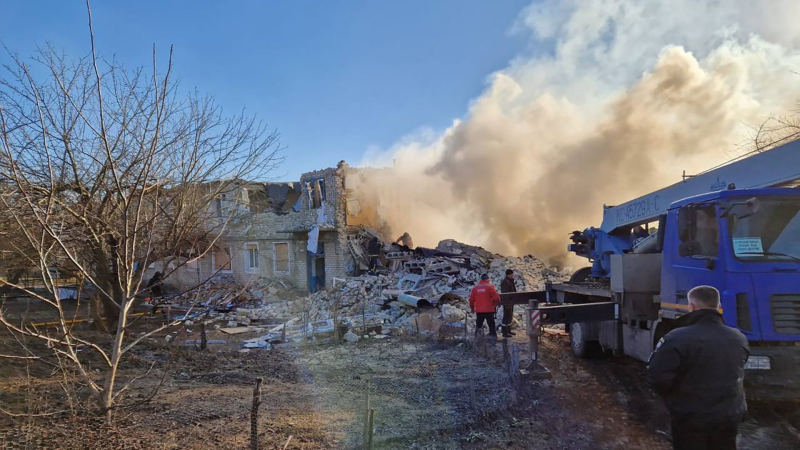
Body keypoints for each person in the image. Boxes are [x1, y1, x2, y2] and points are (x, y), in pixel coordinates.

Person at [648, 285, 749, 450]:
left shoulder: (676, 338)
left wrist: (676, 401)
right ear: (719, 307)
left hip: (691, 417)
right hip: (729, 416)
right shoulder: (738, 337)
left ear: (691, 307)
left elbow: (658, 377)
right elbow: (739, 369)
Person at [499, 269, 517, 338]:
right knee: (506, 317)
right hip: (507, 302)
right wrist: (507, 304)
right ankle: (504, 332)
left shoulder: (510, 281)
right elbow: (505, 294)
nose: (513, 275)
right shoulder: (505, 282)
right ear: (508, 275)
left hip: (511, 301)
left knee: (509, 316)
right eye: (512, 274)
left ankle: (508, 330)